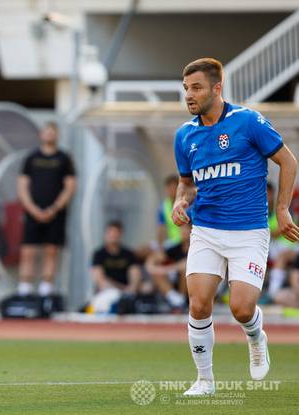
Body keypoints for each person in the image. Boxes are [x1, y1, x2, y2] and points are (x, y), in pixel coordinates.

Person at [172, 57, 299, 396]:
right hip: (207, 230)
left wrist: (282, 209)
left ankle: (256, 337)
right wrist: (179, 201)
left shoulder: (247, 122)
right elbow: (186, 183)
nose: (189, 95)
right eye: (186, 88)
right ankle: (205, 381)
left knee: (241, 308)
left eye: (196, 87)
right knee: (198, 304)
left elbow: (288, 160)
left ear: (217, 88)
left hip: (249, 232)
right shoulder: (184, 136)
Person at [17, 122, 77, 297]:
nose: (49, 134)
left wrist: (55, 208)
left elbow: (70, 186)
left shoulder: (64, 159)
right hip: (33, 212)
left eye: (53, 131)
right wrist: (33, 209)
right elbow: (22, 186)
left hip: (55, 214)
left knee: (51, 251)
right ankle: (25, 289)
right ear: (40, 135)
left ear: (57, 135)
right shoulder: (31, 158)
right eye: (46, 131)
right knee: (28, 251)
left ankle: (46, 290)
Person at [90, 221, 142, 312]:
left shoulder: (128, 254)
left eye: (116, 233)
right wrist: (121, 290)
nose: (113, 236)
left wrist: (132, 288)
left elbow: (135, 272)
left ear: (121, 234)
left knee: (147, 288)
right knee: (110, 296)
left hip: (128, 291)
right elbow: (99, 279)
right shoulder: (99, 254)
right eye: (111, 232)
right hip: (109, 291)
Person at [145, 223, 190, 310]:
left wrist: (165, 269)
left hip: (191, 284)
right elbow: (153, 259)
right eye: (182, 229)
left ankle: (182, 298)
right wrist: (153, 268)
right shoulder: (176, 247)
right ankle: (177, 300)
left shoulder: (195, 248)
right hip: (174, 282)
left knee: (185, 270)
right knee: (157, 272)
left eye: (186, 229)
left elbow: (185, 264)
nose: (183, 232)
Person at [266, 182, 297, 299]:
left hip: (291, 249)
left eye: (268, 194)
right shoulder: (256, 214)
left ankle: (272, 295)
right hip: (270, 248)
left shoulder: (283, 212)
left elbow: (290, 229)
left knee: (282, 256)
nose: (266, 197)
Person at [157, 175, 182, 250]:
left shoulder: (185, 203)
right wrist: (160, 247)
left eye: (173, 188)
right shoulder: (163, 206)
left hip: (184, 242)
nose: (171, 190)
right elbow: (161, 228)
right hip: (171, 242)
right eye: (169, 188)